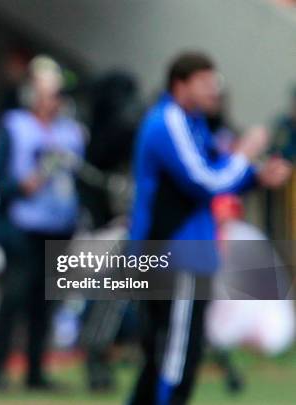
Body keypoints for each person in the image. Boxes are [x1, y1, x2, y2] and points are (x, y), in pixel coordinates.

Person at [128, 51, 292, 405]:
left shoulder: (193, 123)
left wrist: (255, 177)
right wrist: (244, 155)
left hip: (178, 250)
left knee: (162, 352)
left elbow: (214, 173)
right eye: (204, 83)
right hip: (174, 253)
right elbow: (204, 181)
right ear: (180, 84)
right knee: (177, 355)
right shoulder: (169, 121)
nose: (213, 90)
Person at [0, 55, 85, 390]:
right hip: (22, 226)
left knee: (45, 303)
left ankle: (35, 372)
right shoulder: (14, 125)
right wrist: (19, 187)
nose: (51, 102)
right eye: (45, 94)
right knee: (13, 297)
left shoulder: (71, 133)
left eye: (56, 95)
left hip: (59, 225)